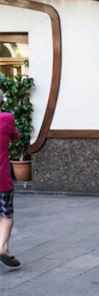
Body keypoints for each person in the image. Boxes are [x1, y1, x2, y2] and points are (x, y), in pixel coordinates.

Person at [0, 91, 20, 271]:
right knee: (6, 216)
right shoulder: (7, 118)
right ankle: (3, 248)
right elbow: (16, 136)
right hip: (2, 179)